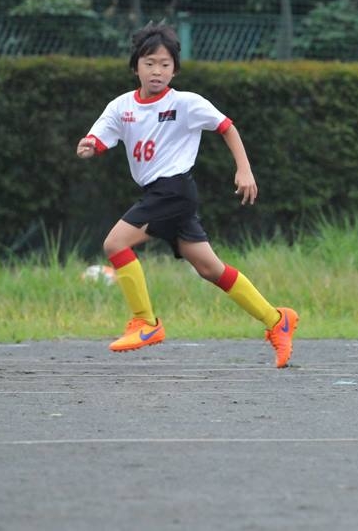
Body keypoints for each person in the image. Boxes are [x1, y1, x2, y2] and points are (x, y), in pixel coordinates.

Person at [76, 23, 299, 367]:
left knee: (114, 244)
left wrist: (244, 169)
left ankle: (146, 323)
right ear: (136, 65)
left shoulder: (186, 103)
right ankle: (276, 320)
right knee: (210, 268)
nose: (157, 71)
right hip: (162, 193)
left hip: (174, 191)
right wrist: (89, 146)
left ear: (175, 70)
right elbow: (98, 139)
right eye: (150, 63)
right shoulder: (122, 107)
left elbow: (226, 126)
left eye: (165, 65)